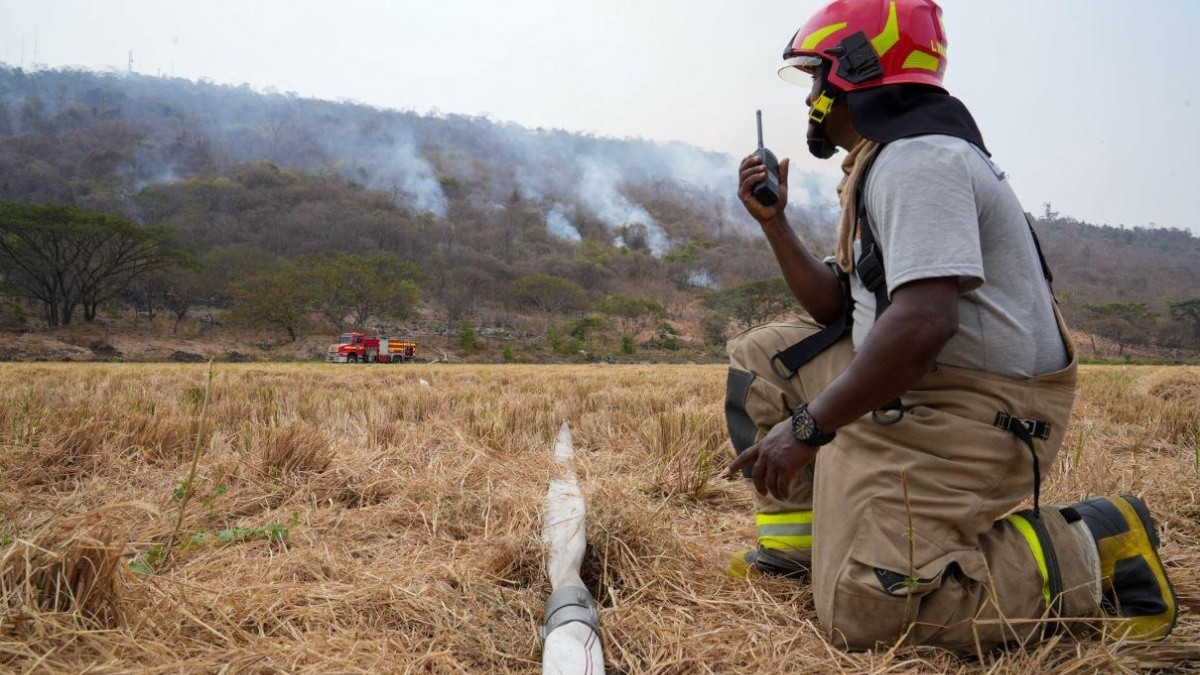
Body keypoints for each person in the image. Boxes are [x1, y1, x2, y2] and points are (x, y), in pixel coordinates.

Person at [722, 0, 1177, 651]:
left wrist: (806, 428)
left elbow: (923, 324)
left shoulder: (919, 161)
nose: (812, 99)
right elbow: (836, 310)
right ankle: (801, 553)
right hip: (932, 376)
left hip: (986, 402)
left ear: (855, 72)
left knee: (865, 609)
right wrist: (775, 224)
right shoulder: (886, 162)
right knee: (764, 357)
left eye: (818, 79)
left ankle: (1093, 544)